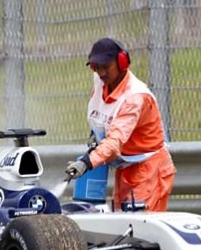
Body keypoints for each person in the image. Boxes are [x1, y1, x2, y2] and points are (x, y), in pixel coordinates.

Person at [65, 38, 176, 212]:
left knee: (141, 229)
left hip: (149, 170)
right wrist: (96, 135)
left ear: (122, 62)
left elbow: (115, 141)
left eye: (105, 67)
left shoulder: (134, 98)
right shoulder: (102, 82)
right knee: (122, 224)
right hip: (125, 168)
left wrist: (87, 162)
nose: (101, 73)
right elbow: (104, 114)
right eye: (96, 67)